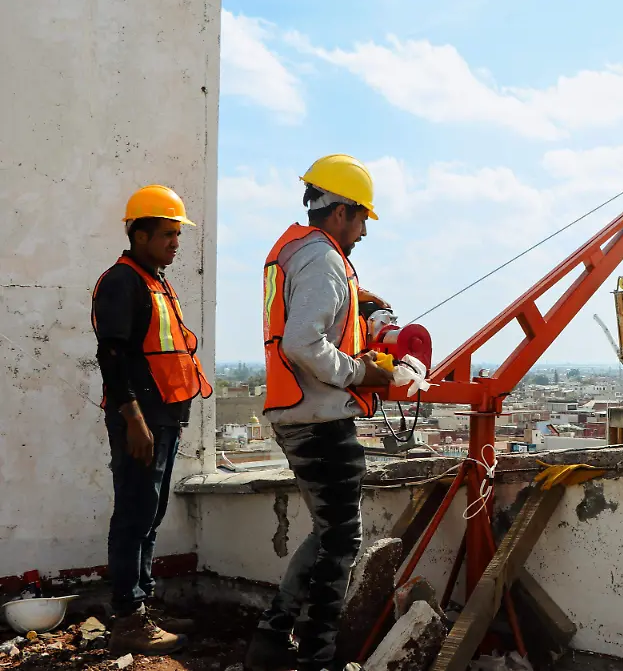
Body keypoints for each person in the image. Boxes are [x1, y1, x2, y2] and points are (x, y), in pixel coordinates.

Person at [246, 154, 396, 671]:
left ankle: (272, 639)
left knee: (328, 530)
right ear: (341, 213)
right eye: (361, 220)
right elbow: (303, 343)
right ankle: (318, 656)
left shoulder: (298, 250)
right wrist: (364, 373)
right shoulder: (323, 259)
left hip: (298, 413)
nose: (362, 232)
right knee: (342, 541)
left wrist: (358, 303)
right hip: (319, 418)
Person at [91, 184, 213, 655]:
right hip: (141, 421)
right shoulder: (122, 281)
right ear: (139, 235)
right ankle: (128, 616)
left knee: (151, 513)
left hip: (163, 418)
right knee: (134, 514)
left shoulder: (153, 279)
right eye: (166, 234)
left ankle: (143, 605)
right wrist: (134, 419)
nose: (175, 243)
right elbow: (113, 356)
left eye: (177, 234)